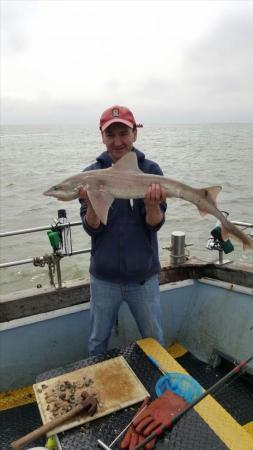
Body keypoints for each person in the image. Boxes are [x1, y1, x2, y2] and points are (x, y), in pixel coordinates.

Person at [79, 105, 167, 356]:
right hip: (103, 279)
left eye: (123, 133)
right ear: (102, 136)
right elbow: (92, 229)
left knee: (154, 340)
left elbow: (155, 224)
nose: (117, 142)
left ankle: (159, 388)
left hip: (144, 278)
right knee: (97, 342)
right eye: (110, 135)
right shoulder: (90, 175)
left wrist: (152, 205)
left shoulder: (150, 171)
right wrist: (91, 202)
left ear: (134, 134)